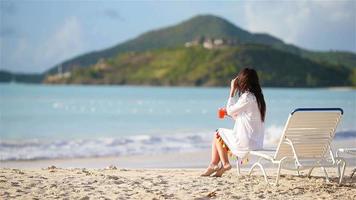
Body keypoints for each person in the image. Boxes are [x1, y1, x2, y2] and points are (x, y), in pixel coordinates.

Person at [201, 68, 266, 177]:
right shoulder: (259, 99)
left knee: (218, 133)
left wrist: (232, 91)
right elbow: (246, 121)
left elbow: (230, 109)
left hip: (246, 143)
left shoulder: (247, 97)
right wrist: (229, 114)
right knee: (219, 134)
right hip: (257, 142)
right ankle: (213, 165)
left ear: (243, 82)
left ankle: (225, 164)